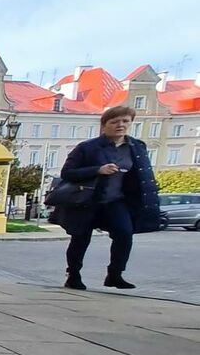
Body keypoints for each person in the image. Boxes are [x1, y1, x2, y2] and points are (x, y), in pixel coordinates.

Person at [57, 105, 160, 290]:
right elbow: (67, 173)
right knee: (80, 238)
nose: (120, 125)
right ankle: (73, 275)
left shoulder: (136, 147)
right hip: (87, 200)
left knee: (124, 233)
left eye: (125, 121)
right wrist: (98, 170)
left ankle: (115, 274)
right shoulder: (88, 148)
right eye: (114, 122)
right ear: (104, 125)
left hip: (116, 200)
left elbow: (142, 175)